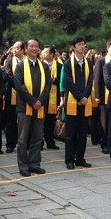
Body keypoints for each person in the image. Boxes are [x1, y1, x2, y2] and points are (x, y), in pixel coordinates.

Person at [13, 38, 51, 177]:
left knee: (37, 137)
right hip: (25, 107)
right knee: (23, 139)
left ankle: (35, 164)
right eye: (31, 46)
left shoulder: (44, 66)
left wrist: (40, 101)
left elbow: (48, 85)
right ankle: (23, 166)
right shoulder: (21, 66)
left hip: (39, 107)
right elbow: (19, 86)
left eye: (36, 46)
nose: (34, 49)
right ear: (25, 49)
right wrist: (32, 101)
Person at [62, 36, 94, 170]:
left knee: (82, 132)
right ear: (73, 47)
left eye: (83, 44)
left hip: (85, 101)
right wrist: (80, 97)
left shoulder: (88, 62)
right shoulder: (68, 63)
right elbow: (68, 82)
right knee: (70, 133)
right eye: (79, 44)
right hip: (72, 101)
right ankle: (69, 159)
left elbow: (90, 81)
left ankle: (80, 158)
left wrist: (85, 96)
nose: (82, 46)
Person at [3, 41, 26, 154]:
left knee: (24, 120)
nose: (13, 50)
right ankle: (10, 144)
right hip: (12, 93)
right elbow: (8, 75)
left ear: (22, 50)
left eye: (16, 48)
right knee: (10, 120)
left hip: (26, 96)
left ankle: (24, 143)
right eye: (13, 48)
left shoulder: (27, 61)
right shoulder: (8, 61)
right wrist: (20, 87)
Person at [41, 45, 62, 150]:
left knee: (50, 120)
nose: (43, 53)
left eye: (46, 52)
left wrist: (54, 80)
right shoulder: (39, 64)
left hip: (54, 97)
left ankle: (50, 141)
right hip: (41, 96)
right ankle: (39, 142)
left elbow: (63, 82)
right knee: (39, 120)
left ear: (52, 55)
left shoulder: (59, 66)